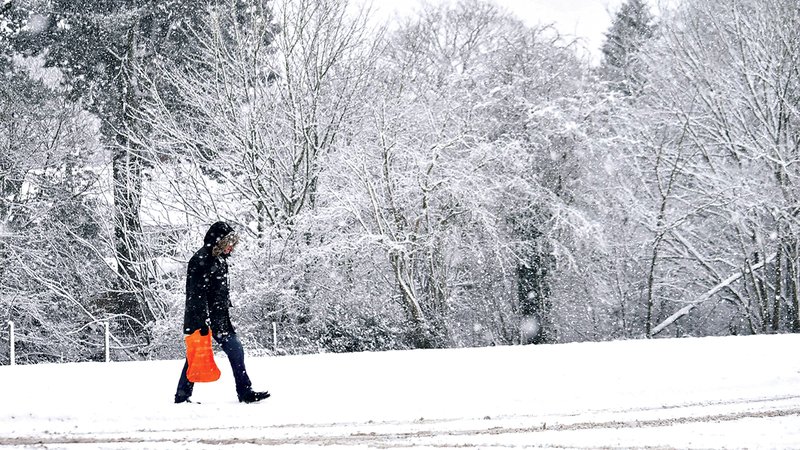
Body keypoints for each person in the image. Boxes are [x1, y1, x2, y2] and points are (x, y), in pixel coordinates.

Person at [174, 221, 270, 404]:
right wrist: (202, 322)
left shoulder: (219, 260)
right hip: (203, 319)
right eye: (228, 243)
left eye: (233, 244)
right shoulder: (200, 260)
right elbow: (196, 295)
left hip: (220, 318)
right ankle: (182, 395)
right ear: (218, 242)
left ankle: (244, 391)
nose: (231, 247)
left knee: (236, 351)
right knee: (195, 356)